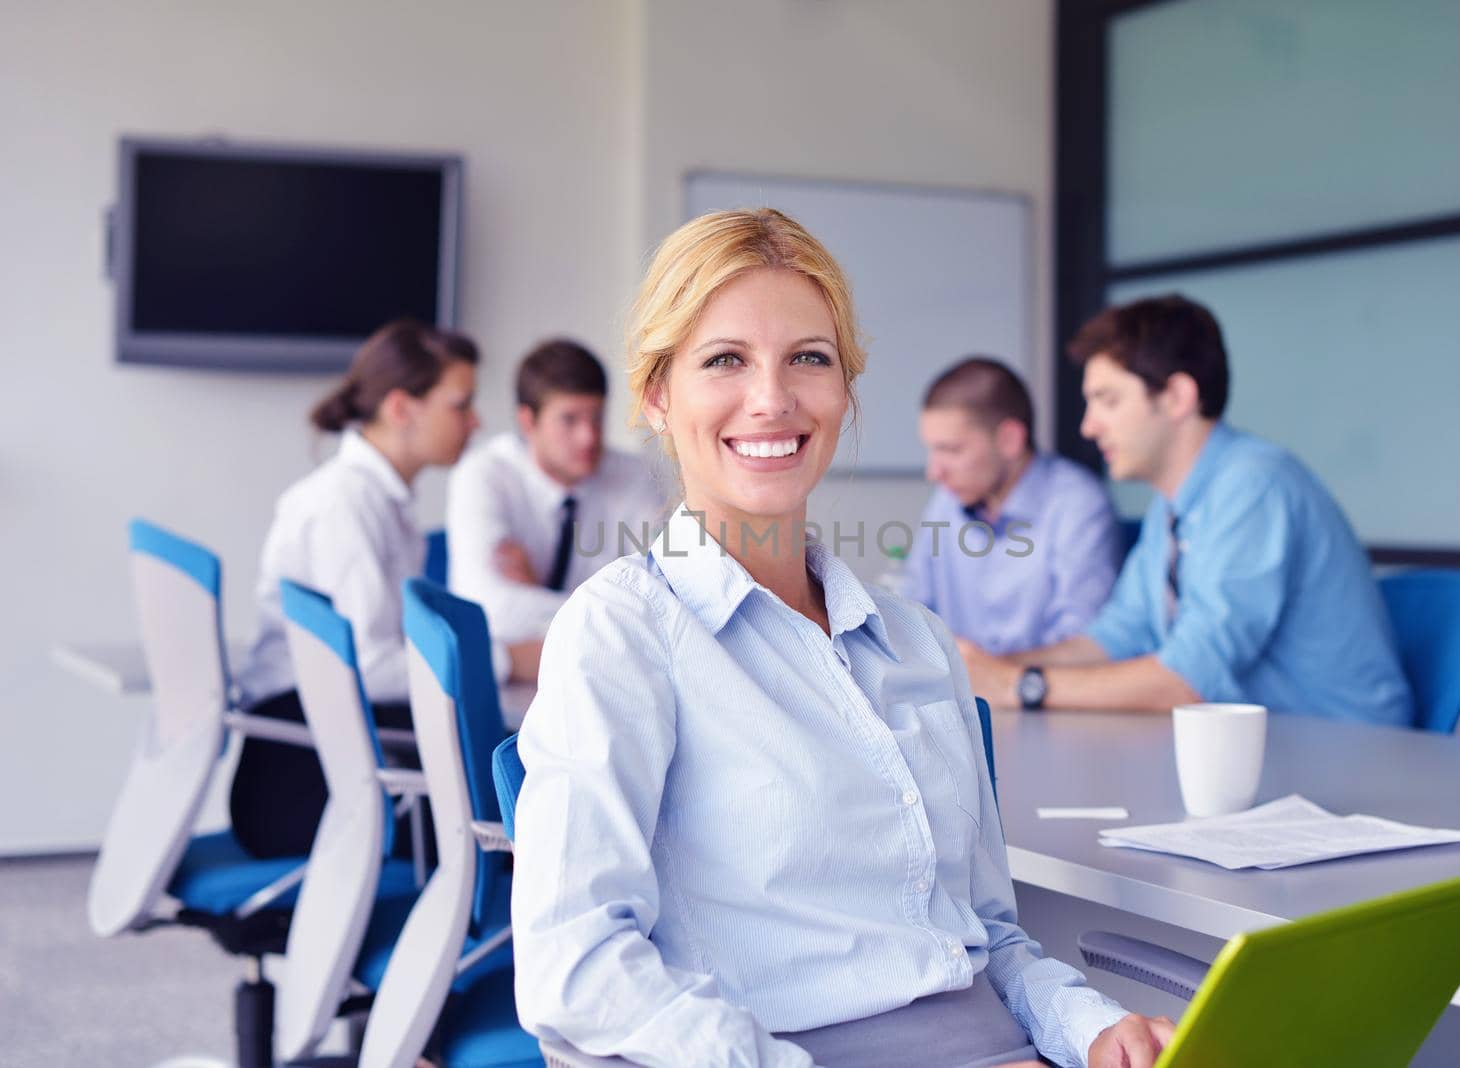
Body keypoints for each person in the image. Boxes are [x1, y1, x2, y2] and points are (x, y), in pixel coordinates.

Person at [510, 209, 1171, 1068]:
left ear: (846, 391)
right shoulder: (622, 632)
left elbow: (990, 939)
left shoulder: (918, 643)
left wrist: (1089, 1028)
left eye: (809, 359)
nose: (773, 398)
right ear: (656, 395)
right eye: (724, 361)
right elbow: (579, 969)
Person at [957, 295, 1412, 725]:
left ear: (1177, 396)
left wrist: (1021, 685)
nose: (1088, 426)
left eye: (1108, 401)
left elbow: (1188, 679)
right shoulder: (1174, 506)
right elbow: (1116, 637)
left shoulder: (1254, 486)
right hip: (1260, 749)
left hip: (1345, 752)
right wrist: (985, 669)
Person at [231, 319, 539, 859]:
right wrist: (506, 660)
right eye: (460, 404)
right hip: (303, 778)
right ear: (402, 408)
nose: (475, 420)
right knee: (527, 806)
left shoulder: (378, 502)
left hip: (335, 749)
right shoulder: (344, 507)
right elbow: (371, 668)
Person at [446, 338, 661, 667]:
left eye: (597, 417)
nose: (589, 437)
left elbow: (656, 605)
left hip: (601, 672)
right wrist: (607, 610)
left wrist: (533, 595)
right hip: (511, 683)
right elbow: (485, 607)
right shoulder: (484, 474)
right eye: (570, 420)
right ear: (528, 422)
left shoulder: (636, 477)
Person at [909, 357, 1121, 655]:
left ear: (1009, 440)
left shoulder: (1077, 504)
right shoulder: (946, 500)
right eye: (932, 450)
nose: (934, 472)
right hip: (956, 697)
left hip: (1045, 698)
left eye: (951, 450)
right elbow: (910, 615)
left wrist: (994, 676)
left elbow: (1083, 645)